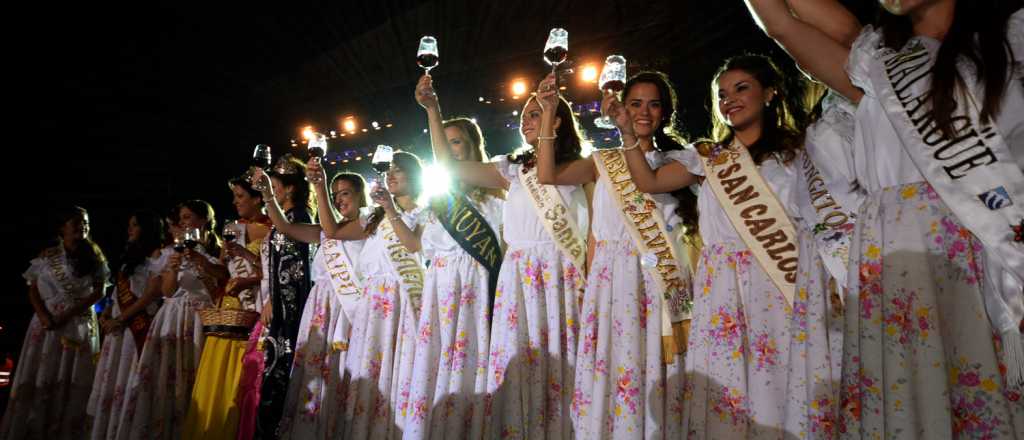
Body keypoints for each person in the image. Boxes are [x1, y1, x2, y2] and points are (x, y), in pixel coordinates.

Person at [744, 0, 1024, 436]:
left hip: (976, 244)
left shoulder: (1011, 40)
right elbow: (780, 23)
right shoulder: (876, 65)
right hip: (894, 250)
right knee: (910, 398)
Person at [532, 70, 695, 438]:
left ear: (665, 112)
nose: (643, 111)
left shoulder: (680, 159)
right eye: (635, 103)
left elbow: (651, 189)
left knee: (655, 362)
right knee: (614, 365)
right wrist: (548, 111)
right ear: (621, 107)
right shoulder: (603, 161)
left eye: (653, 104)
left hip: (656, 277)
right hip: (609, 277)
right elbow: (547, 175)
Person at [402, 76, 506, 439]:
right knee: (439, 358)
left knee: (472, 357)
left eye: (457, 142)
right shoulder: (436, 201)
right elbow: (419, 247)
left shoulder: (496, 192)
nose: (450, 149)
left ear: (473, 146)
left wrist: (433, 108)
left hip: (477, 284)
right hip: (441, 285)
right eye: (444, 144)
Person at [317, 151, 424, 439]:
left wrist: (390, 208)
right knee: (369, 369)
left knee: (398, 368)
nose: (390, 175)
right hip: (372, 299)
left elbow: (413, 248)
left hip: (402, 298)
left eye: (398, 170)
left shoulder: (424, 211)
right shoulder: (373, 218)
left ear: (414, 176)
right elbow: (331, 231)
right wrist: (319, 185)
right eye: (388, 170)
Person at [116, 200, 226, 440]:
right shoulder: (173, 253)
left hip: (201, 320)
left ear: (203, 221)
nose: (182, 222)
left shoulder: (218, 252)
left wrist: (202, 263)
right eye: (181, 218)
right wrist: (174, 269)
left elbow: (219, 292)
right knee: (167, 380)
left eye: (187, 218)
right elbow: (166, 291)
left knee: (194, 379)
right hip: (173, 317)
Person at [0, 205, 109, 439]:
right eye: (77, 222)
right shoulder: (48, 256)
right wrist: (43, 315)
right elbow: (33, 288)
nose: (83, 226)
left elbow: (99, 292)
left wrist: (67, 315)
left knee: (73, 380)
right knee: (43, 374)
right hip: (46, 324)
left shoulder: (95, 256)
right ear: (63, 227)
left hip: (76, 325)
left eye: (86, 222)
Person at [277, 167, 369, 439]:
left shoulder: (369, 224)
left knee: (341, 370)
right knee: (316, 371)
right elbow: (284, 227)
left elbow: (334, 232)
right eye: (334, 195)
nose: (339, 200)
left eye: (345, 193)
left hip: (346, 306)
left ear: (361, 194)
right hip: (320, 305)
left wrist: (318, 186)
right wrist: (269, 196)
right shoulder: (327, 230)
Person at [182, 176, 271, 440]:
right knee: (215, 377)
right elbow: (222, 272)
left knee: (238, 376)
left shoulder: (272, 229)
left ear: (257, 198)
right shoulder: (232, 228)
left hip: (252, 307)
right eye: (233, 197)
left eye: (240, 196)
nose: (234, 202)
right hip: (228, 309)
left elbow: (273, 272)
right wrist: (201, 260)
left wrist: (247, 277)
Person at [249, 155, 316, 439]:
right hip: (279, 309)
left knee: (281, 373)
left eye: (274, 185)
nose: (272, 190)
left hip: (291, 312)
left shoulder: (298, 218)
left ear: (289, 189)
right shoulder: (282, 220)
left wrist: (277, 303)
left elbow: (294, 271)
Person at [88, 211, 167, 440]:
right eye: (129, 225)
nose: (129, 229)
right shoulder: (130, 255)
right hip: (117, 328)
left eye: (135, 225)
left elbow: (151, 294)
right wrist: (106, 315)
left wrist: (121, 318)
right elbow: (116, 291)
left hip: (136, 329)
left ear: (148, 229)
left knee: (130, 383)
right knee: (113, 383)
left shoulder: (157, 255)